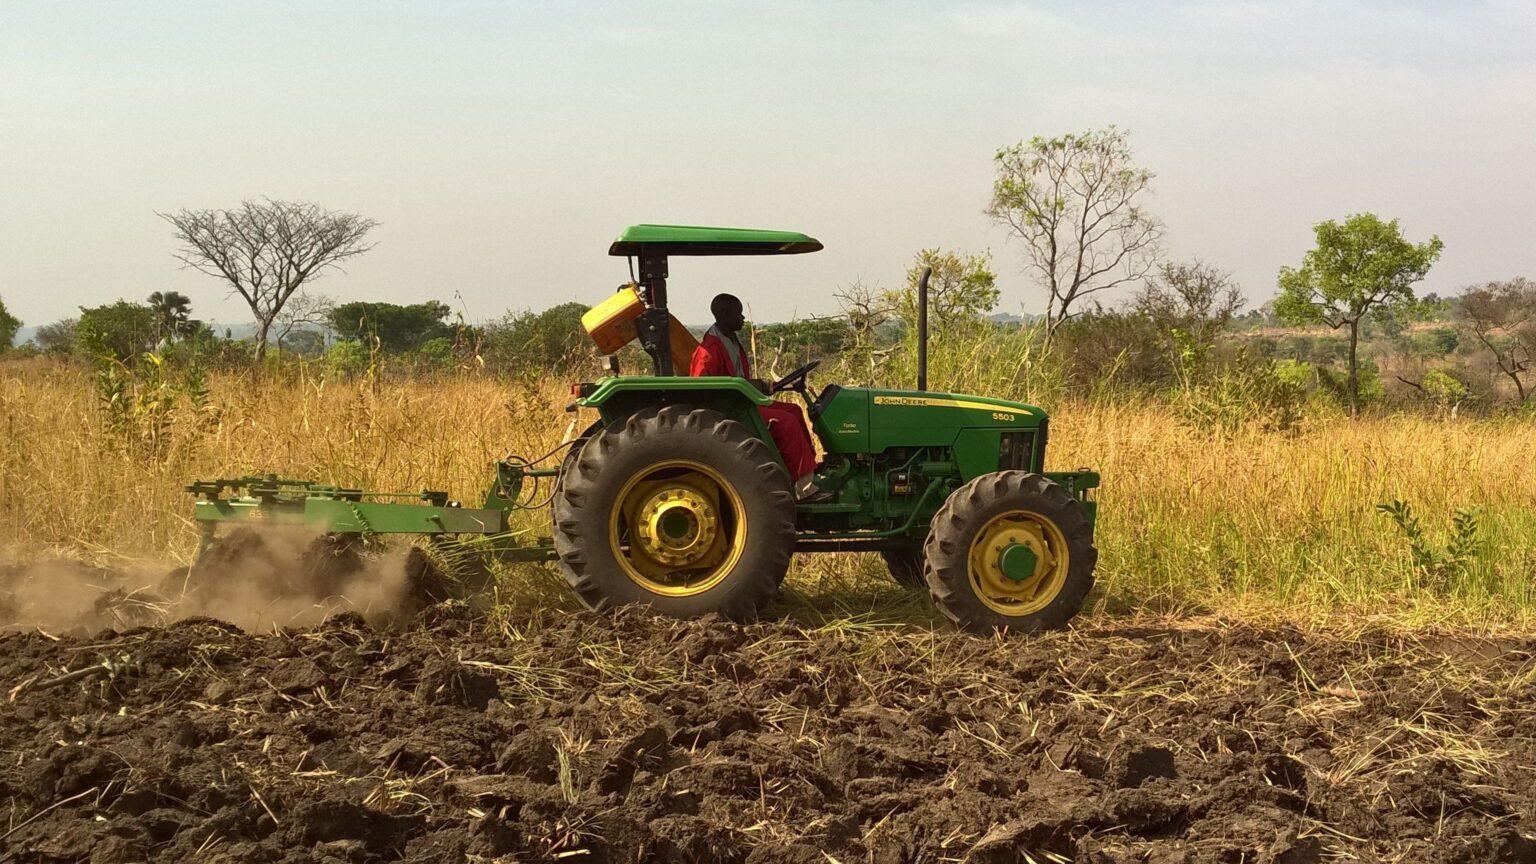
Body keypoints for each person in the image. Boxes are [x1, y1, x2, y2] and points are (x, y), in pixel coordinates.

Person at [690, 293, 828, 501]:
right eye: (739, 313)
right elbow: (703, 390)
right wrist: (752, 388)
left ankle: (807, 472)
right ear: (724, 314)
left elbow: (735, 378)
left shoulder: (729, 340)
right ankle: (804, 488)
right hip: (732, 410)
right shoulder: (709, 350)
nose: (743, 318)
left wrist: (758, 385)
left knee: (794, 410)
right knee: (786, 422)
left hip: (743, 401)